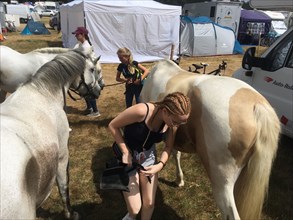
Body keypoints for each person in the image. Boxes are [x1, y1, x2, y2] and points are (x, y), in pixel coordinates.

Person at [108, 92, 191, 220]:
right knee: (135, 209)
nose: (177, 126)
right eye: (175, 121)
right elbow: (113, 125)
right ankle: (130, 216)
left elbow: (168, 147)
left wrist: (160, 165)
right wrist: (125, 151)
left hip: (148, 156)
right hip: (128, 155)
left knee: (149, 203)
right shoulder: (142, 111)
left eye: (181, 123)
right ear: (165, 111)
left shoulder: (172, 125)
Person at [72, 26, 101, 117]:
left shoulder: (86, 47)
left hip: (86, 72)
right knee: (84, 91)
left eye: (77, 34)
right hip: (82, 71)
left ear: (83, 35)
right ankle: (89, 108)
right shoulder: (80, 45)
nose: (76, 36)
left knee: (89, 91)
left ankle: (95, 111)